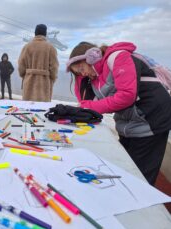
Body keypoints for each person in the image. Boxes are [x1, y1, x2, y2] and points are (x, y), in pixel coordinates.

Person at [66, 41, 171, 185]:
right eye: (78, 73)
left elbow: (127, 96)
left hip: (152, 119)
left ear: (92, 57)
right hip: (131, 121)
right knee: (126, 167)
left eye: (81, 67)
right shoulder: (97, 76)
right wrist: (80, 83)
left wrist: (90, 106)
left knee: (140, 176)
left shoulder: (118, 57)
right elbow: (88, 101)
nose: (82, 73)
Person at [18, 24, 59, 102]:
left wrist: (25, 75)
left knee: (27, 109)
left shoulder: (27, 47)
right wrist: (53, 78)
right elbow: (54, 67)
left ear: (35, 33)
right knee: (42, 109)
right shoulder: (51, 48)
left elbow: (21, 66)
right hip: (44, 84)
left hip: (29, 81)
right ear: (45, 34)